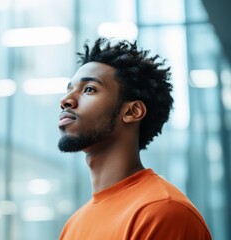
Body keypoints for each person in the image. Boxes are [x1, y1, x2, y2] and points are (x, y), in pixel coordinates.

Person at [57, 38, 212, 240]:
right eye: (69, 89)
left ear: (132, 111)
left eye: (89, 89)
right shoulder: (73, 225)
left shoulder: (162, 212)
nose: (65, 100)